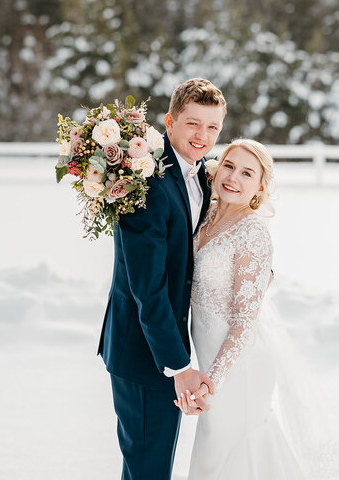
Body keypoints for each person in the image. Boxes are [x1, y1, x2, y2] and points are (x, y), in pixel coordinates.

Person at [176, 139, 339, 480]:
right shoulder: (205, 216)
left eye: (247, 173)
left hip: (239, 366)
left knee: (233, 455)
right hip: (208, 361)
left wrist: (213, 380)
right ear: (216, 168)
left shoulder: (252, 232)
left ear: (259, 188)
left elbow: (243, 321)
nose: (234, 177)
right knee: (214, 456)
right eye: (229, 166)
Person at [97, 78, 227, 480]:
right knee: (149, 469)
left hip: (167, 344)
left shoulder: (199, 175)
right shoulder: (147, 183)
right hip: (143, 351)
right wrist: (178, 365)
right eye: (193, 124)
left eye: (212, 127)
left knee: (148, 467)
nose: (202, 136)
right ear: (169, 122)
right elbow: (147, 289)